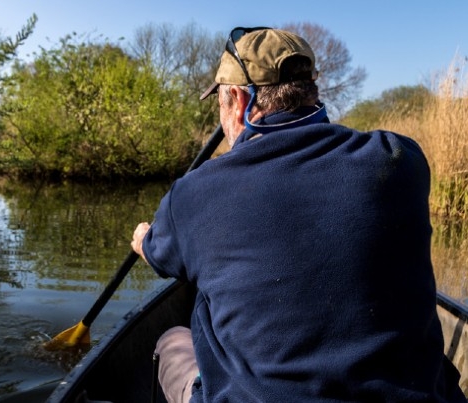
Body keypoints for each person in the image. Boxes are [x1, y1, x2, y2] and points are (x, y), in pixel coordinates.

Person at [131, 27, 466, 403]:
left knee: (173, 340)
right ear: (312, 92)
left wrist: (145, 241)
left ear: (238, 100)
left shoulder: (194, 194)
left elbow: (163, 257)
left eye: (220, 103)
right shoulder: (400, 159)